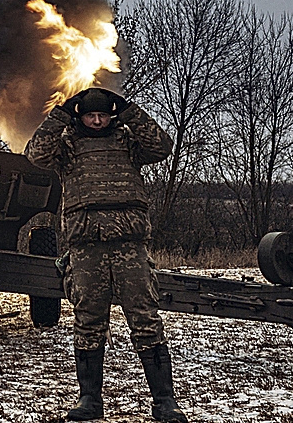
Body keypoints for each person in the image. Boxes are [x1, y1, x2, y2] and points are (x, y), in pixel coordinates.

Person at [26, 87, 188, 422]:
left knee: (145, 318)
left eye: (103, 115)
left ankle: (164, 401)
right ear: (80, 116)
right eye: (90, 115)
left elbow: (162, 145)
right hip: (87, 246)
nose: (97, 121)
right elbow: (35, 154)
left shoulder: (127, 141)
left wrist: (129, 112)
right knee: (88, 320)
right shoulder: (67, 146)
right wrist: (60, 114)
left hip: (129, 243)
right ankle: (90, 399)